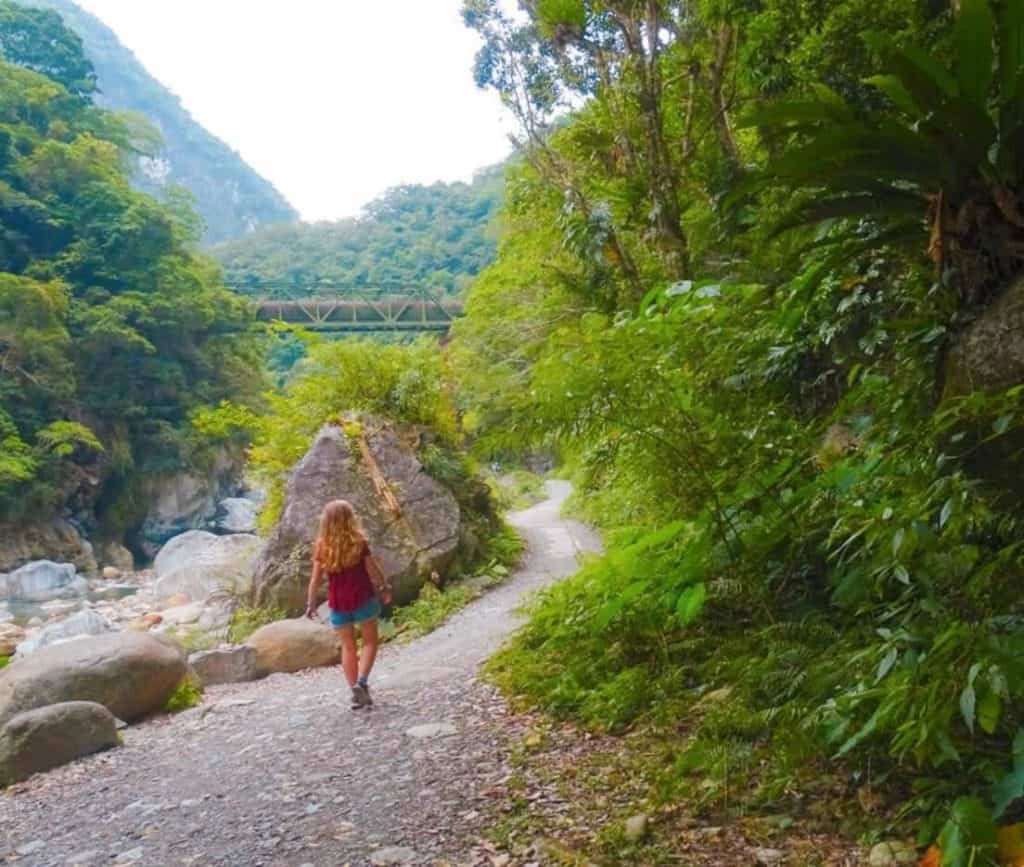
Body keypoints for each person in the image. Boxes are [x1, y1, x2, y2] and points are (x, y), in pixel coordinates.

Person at [305, 500, 393, 710]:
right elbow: (372, 569)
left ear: (325, 521)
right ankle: (362, 682)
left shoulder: (322, 546)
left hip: (338, 603)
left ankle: (354, 688)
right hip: (363, 598)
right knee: (370, 642)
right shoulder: (359, 542)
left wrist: (311, 604)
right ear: (350, 518)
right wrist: (384, 587)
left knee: (348, 647)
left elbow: (315, 579)